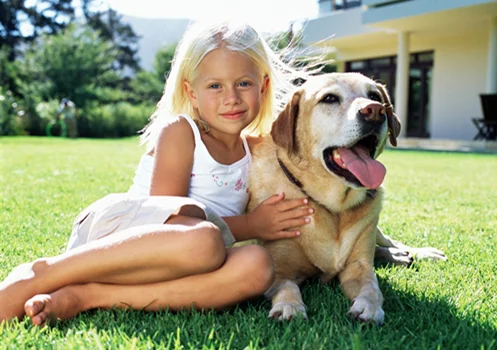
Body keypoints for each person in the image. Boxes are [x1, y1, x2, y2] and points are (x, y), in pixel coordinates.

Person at [0, 20, 318, 326]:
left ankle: (88, 296)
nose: (231, 98)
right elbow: (165, 218)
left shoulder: (255, 150)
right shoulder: (182, 132)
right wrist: (252, 224)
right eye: (215, 86)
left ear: (263, 86)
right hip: (125, 242)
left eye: (243, 84)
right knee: (204, 241)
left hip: (183, 264)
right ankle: (44, 273)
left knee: (258, 265)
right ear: (191, 92)